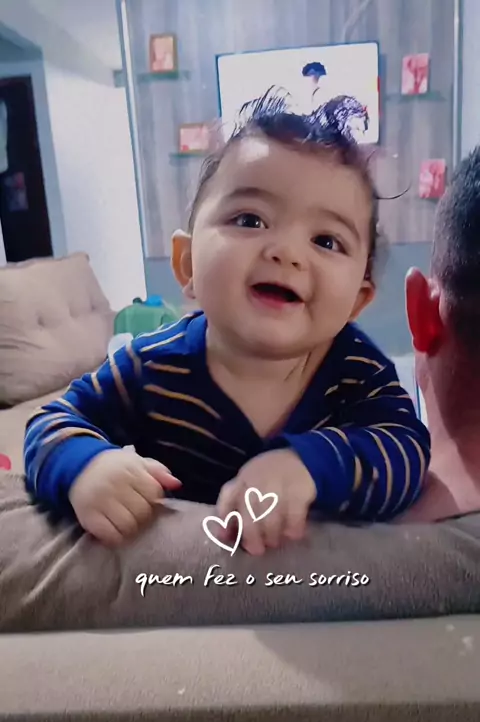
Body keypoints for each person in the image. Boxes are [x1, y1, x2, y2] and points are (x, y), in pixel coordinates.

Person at [23, 93, 429, 554]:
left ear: (357, 300)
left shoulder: (359, 373)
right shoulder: (149, 367)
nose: (286, 252)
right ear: (187, 263)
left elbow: (406, 451)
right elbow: (52, 422)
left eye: (326, 240)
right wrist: (85, 466)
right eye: (250, 220)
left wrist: (309, 466)